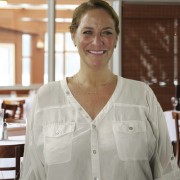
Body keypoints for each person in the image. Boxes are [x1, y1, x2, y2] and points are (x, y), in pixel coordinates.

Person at [20, 0, 180, 179]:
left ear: (116, 39)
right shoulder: (47, 98)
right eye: (88, 32)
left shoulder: (142, 96)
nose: (97, 41)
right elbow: (32, 173)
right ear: (73, 36)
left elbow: (167, 172)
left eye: (107, 32)